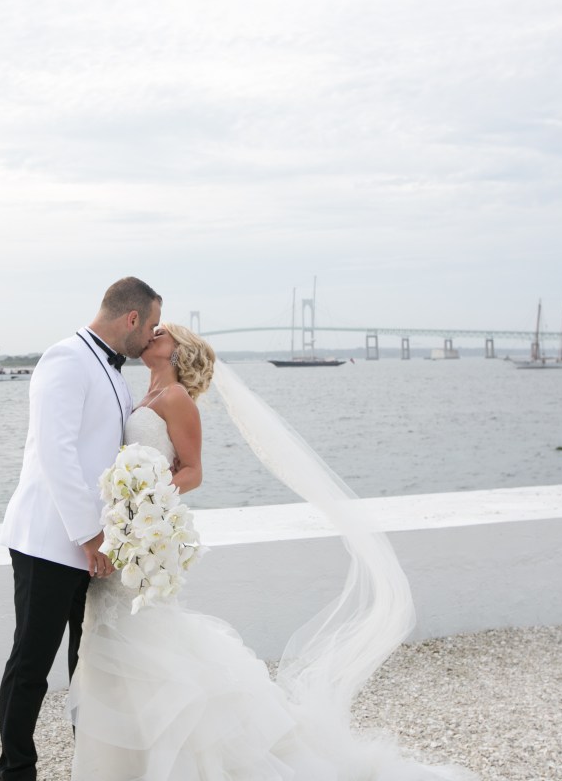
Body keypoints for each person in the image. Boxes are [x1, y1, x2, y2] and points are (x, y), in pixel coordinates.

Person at [67, 323, 477, 781]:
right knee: (122, 646)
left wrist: (143, 498)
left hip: (143, 530)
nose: (151, 335)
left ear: (178, 351)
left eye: (161, 332)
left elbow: (194, 471)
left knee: (149, 643)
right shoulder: (140, 394)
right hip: (130, 535)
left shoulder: (177, 398)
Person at [0, 277, 162, 781]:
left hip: (93, 545)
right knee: (31, 665)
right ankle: (16, 771)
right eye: (151, 325)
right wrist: (90, 535)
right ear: (131, 318)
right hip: (49, 539)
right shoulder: (65, 359)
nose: (152, 336)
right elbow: (57, 454)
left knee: (84, 665)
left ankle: (88, 765)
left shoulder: (116, 373)